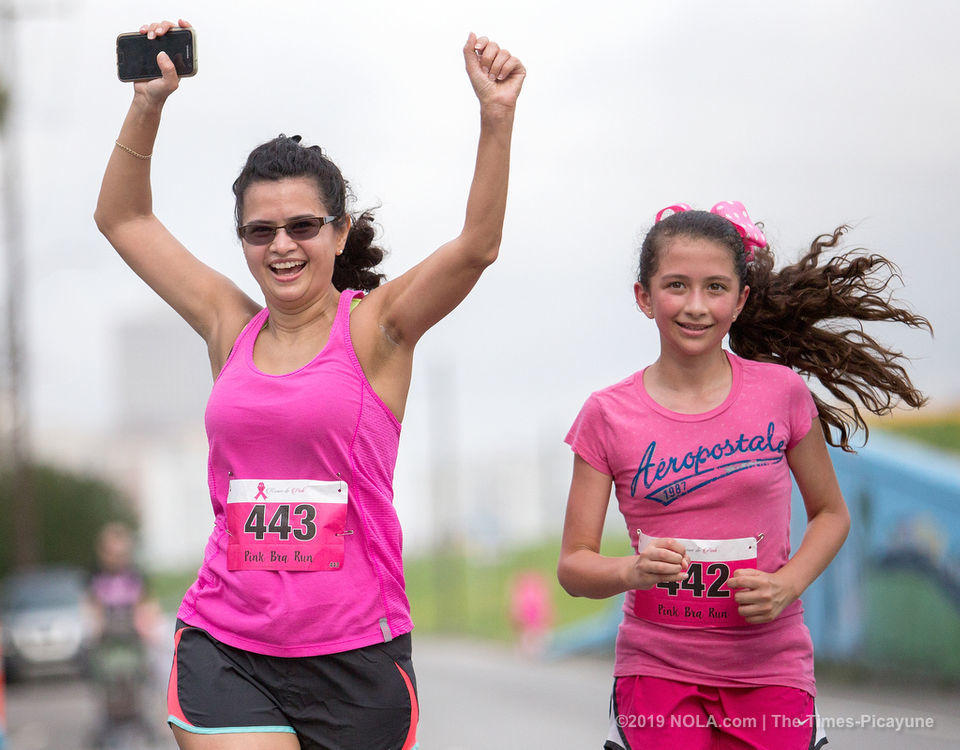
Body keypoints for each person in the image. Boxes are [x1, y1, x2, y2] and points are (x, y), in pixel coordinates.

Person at [95, 18, 525, 750]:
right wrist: (148, 103)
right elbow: (124, 218)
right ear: (242, 240)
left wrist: (496, 119)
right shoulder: (227, 326)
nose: (282, 246)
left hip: (355, 654)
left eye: (303, 226)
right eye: (260, 232)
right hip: (227, 642)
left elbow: (477, 247)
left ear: (340, 230)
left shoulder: (377, 330)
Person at [557, 201, 930, 750]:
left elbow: (831, 514)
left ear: (741, 299)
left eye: (715, 287)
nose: (696, 306)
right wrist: (632, 571)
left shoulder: (781, 393)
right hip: (657, 671)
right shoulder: (606, 415)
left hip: (770, 668)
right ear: (644, 296)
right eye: (676, 285)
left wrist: (787, 584)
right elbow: (573, 565)